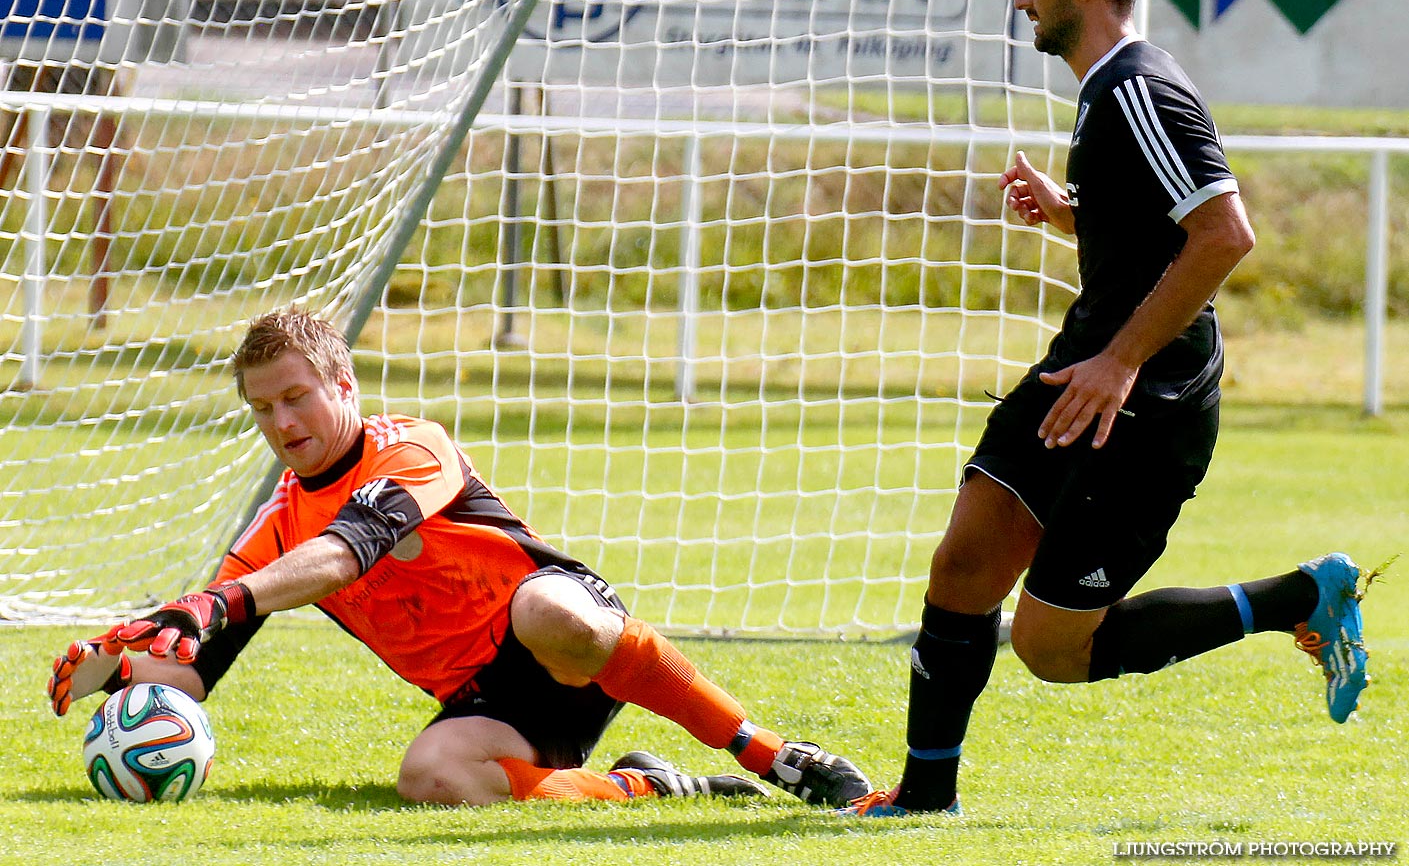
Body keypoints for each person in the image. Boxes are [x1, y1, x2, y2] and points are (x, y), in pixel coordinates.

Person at [844, 0, 1370, 817]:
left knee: (1052, 651)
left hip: (1148, 400)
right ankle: (925, 797)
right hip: (1084, 367)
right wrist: (1068, 214)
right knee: (964, 564)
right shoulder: (1106, 92)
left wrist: (1122, 361)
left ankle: (1299, 594)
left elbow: (1223, 233)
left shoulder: (1136, 89)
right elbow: (1151, 231)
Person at [48, 306, 871, 808]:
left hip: (564, 625)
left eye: (296, 395)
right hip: (495, 701)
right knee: (430, 777)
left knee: (546, 611)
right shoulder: (274, 531)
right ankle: (643, 785)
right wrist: (115, 672)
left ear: (343, 386)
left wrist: (217, 599)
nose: (282, 420)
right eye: (263, 407)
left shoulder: (413, 449)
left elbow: (344, 555)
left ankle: (771, 755)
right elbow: (199, 673)